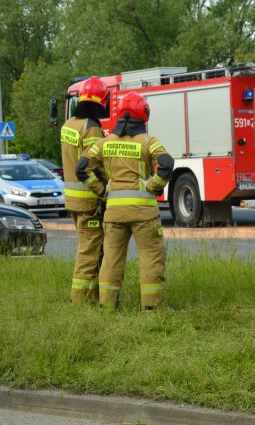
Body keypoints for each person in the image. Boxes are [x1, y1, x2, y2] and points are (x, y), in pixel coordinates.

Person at [75, 92, 174, 310]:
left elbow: (81, 168)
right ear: (143, 116)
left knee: (111, 260)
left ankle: (107, 306)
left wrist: (102, 190)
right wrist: (152, 186)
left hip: (114, 213)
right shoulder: (149, 141)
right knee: (150, 258)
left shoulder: (104, 142)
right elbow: (167, 164)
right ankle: (152, 307)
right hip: (144, 213)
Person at [60, 76, 108, 303]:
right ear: (101, 101)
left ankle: (92, 296)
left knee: (88, 248)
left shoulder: (68, 125)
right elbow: (95, 166)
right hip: (89, 200)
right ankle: (79, 301)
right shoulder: (91, 128)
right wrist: (105, 190)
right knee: (89, 253)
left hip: (73, 200)